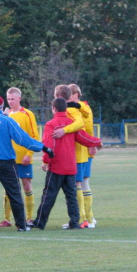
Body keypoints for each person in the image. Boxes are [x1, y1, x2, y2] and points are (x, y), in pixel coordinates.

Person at [0, 95, 54, 233]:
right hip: (7, 163)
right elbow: (23, 139)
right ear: (2, 107)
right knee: (14, 193)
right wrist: (43, 148)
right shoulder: (7, 120)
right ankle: (21, 225)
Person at [32, 98, 102, 230]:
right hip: (70, 167)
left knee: (49, 195)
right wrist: (97, 141)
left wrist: (45, 161)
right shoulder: (72, 124)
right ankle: (74, 222)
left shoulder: (51, 124)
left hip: (57, 166)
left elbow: (49, 145)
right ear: (66, 109)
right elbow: (84, 138)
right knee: (71, 197)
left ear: (54, 108)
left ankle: (40, 222)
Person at [0, 87, 40, 228]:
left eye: (13, 99)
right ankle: (7, 219)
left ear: (19, 99)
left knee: (26, 185)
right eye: (8, 99)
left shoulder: (27, 114)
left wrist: (29, 154)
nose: (10, 102)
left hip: (24, 158)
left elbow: (34, 136)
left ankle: (29, 218)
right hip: (9, 159)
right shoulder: (5, 115)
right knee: (8, 188)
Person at [51, 85, 88, 228]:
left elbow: (80, 124)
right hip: (80, 150)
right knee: (79, 184)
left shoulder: (71, 110)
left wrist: (64, 130)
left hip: (75, 152)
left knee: (76, 186)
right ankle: (86, 219)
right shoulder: (78, 107)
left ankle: (82, 219)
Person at [70, 84, 98, 228]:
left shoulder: (81, 106)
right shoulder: (83, 107)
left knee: (79, 183)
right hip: (86, 148)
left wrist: (92, 144)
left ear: (75, 95)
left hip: (81, 149)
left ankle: (86, 219)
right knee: (83, 183)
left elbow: (86, 128)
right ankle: (89, 217)